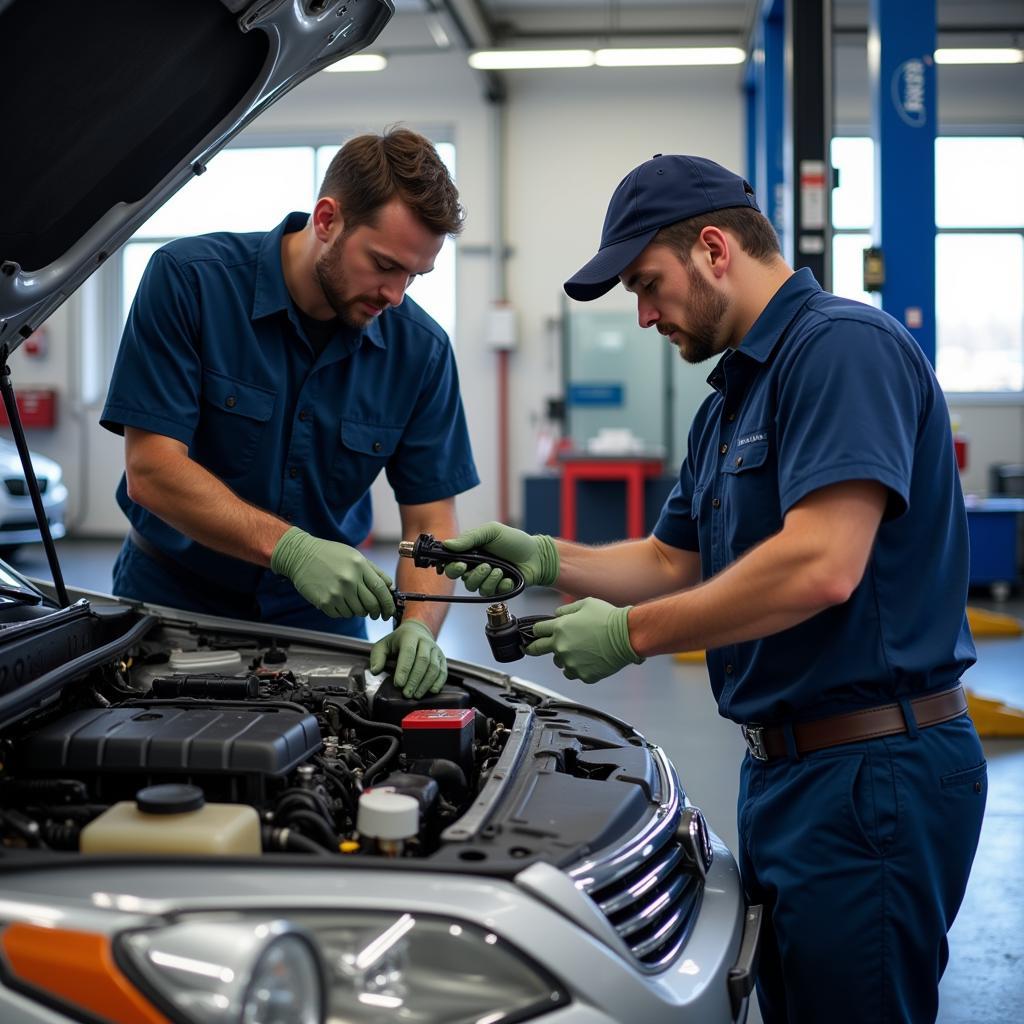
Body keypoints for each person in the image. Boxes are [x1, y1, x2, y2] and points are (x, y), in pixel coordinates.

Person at [442, 154, 986, 1023]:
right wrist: (542, 559)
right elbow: (670, 560)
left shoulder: (841, 350)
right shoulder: (730, 401)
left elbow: (823, 563)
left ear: (714, 248)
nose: (645, 312)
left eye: (648, 284)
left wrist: (632, 636)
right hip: (786, 771)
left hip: (872, 773)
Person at [101, 128, 479, 699]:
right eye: (383, 264)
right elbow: (152, 470)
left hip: (321, 621)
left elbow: (430, 521)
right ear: (327, 219)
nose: (395, 295)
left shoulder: (421, 351)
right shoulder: (189, 283)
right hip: (172, 600)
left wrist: (419, 626)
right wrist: (291, 549)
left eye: (414, 276)